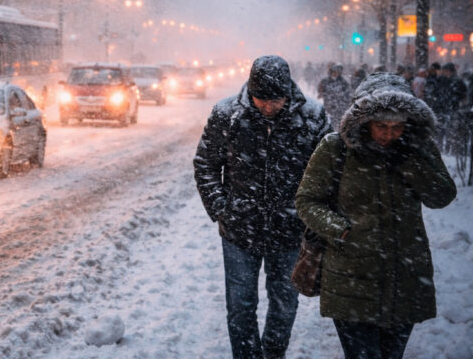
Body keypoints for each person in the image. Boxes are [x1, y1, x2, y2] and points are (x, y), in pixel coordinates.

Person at [295, 72, 456, 359]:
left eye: (397, 127)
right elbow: (307, 201)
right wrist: (341, 229)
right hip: (351, 278)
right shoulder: (335, 148)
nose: (388, 134)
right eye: (381, 125)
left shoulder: (418, 149)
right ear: (363, 121)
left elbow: (441, 196)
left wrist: (410, 159)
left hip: (405, 277)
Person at [194, 55, 330, 359]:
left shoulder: (312, 117)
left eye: (275, 100)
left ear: (288, 92)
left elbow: (328, 173)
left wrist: (312, 217)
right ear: (250, 91)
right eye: (260, 100)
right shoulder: (227, 114)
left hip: (291, 230)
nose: (268, 107)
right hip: (239, 230)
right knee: (240, 306)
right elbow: (205, 164)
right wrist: (221, 208)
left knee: (285, 304)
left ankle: (273, 353)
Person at [317, 63, 352, 131]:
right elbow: (320, 90)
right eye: (334, 71)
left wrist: (345, 101)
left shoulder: (343, 81)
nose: (335, 73)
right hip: (329, 105)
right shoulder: (325, 81)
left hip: (341, 106)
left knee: (339, 122)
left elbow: (348, 93)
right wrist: (323, 93)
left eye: (337, 72)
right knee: (330, 121)